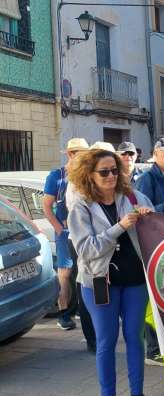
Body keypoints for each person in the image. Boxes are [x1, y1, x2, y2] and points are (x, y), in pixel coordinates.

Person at [67, 147, 155, 396]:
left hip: (134, 280)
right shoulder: (80, 205)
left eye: (114, 170)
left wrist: (149, 216)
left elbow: (154, 226)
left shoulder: (133, 197)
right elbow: (87, 249)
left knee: (134, 337)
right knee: (106, 341)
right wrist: (120, 227)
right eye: (104, 172)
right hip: (98, 282)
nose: (111, 176)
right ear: (89, 175)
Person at [135, 137, 164, 365]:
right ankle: (153, 348)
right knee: (154, 297)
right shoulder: (147, 179)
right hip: (155, 243)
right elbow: (143, 211)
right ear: (156, 153)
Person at [43, 138, 89, 332]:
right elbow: (47, 206)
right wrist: (60, 230)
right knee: (65, 272)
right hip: (66, 233)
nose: (84, 157)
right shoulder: (57, 176)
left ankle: (80, 309)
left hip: (85, 232)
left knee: (84, 271)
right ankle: (64, 314)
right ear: (70, 154)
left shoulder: (87, 174)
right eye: (79, 153)